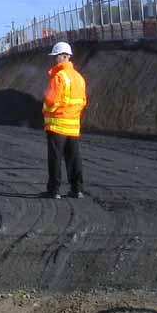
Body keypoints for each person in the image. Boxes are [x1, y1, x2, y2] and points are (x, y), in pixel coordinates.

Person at [41, 41, 87, 199]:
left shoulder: (59, 77)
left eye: (56, 56)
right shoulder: (79, 78)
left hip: (57, 125)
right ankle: (77, 189)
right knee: (74, 158)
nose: (55, 60)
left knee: (55, 159)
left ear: (63, 56)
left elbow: (51, 102)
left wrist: (45, 112)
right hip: (73, 126)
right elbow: (83, 102)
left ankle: (54, 191)